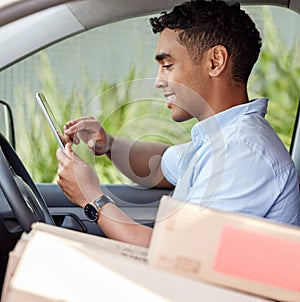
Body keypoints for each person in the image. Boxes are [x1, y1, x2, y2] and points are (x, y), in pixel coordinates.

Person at [56, 0, 300, 247]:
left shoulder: (244, 151)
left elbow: (178, 254)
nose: (158, 81)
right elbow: (161, 164)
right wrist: (107, 145)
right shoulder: (220, 138)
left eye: (167, 66)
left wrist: (92, 198)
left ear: (215, 61)